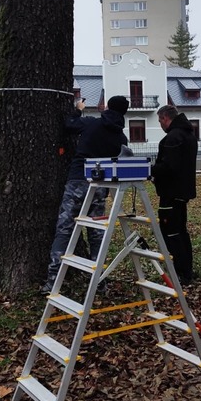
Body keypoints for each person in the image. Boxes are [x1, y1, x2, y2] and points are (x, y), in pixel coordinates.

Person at [41, 94, 130, 293]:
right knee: (96, 233)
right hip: (100, 186)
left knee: (65, 227)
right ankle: (98, 281)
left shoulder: (91, 124)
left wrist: (78, 109)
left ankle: (53, 281)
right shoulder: (121, 137)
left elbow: (69, 124)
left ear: (107, 107)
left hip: (78, 181)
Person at [151, 104, 198, 286]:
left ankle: (180, 273)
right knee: (181, 232)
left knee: (171, 234)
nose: (160, 125)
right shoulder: (188, 134)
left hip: (171, 193)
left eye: (159, 121)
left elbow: (169, 167)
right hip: (182, 192)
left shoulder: (172, 138)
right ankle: (187, 270)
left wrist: (151, 170)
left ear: (165, 118)